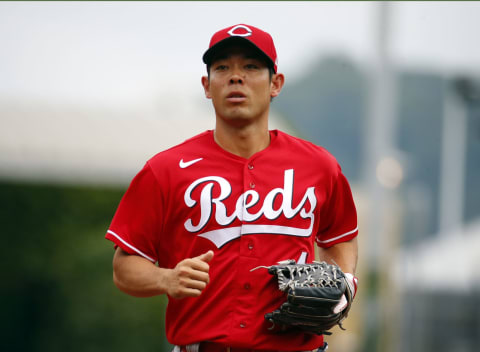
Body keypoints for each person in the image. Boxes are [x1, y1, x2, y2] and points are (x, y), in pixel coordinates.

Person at [106, 24, 358, 352]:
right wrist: (166, 279)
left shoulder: (319, 166)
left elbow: (339, 236)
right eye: (222, 68)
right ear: (207, 86)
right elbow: (124, 268)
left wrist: (344, 282)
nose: (235, 77)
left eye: (251, 67)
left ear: (275, 84)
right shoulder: (165, 170)